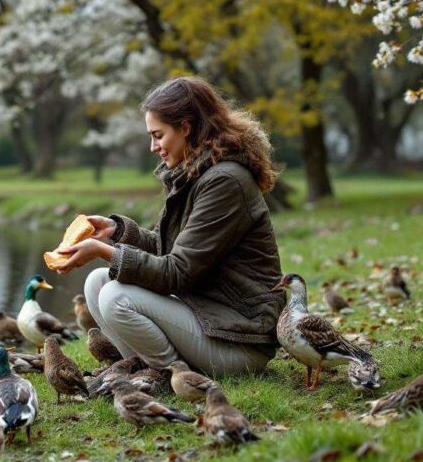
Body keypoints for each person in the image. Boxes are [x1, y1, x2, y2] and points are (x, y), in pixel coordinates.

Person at [55, 77, 285, 376]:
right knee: (98, 282)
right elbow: (173, 252)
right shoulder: (196, 172)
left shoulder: (225, 181)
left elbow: (176, 272)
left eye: (158, 135)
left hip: (239, 341)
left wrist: (104, 251)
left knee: (116, 296)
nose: (153, 147)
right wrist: (118, 232)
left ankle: (172, 377)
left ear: (186, 128)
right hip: (208, 315)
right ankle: (144, 369)